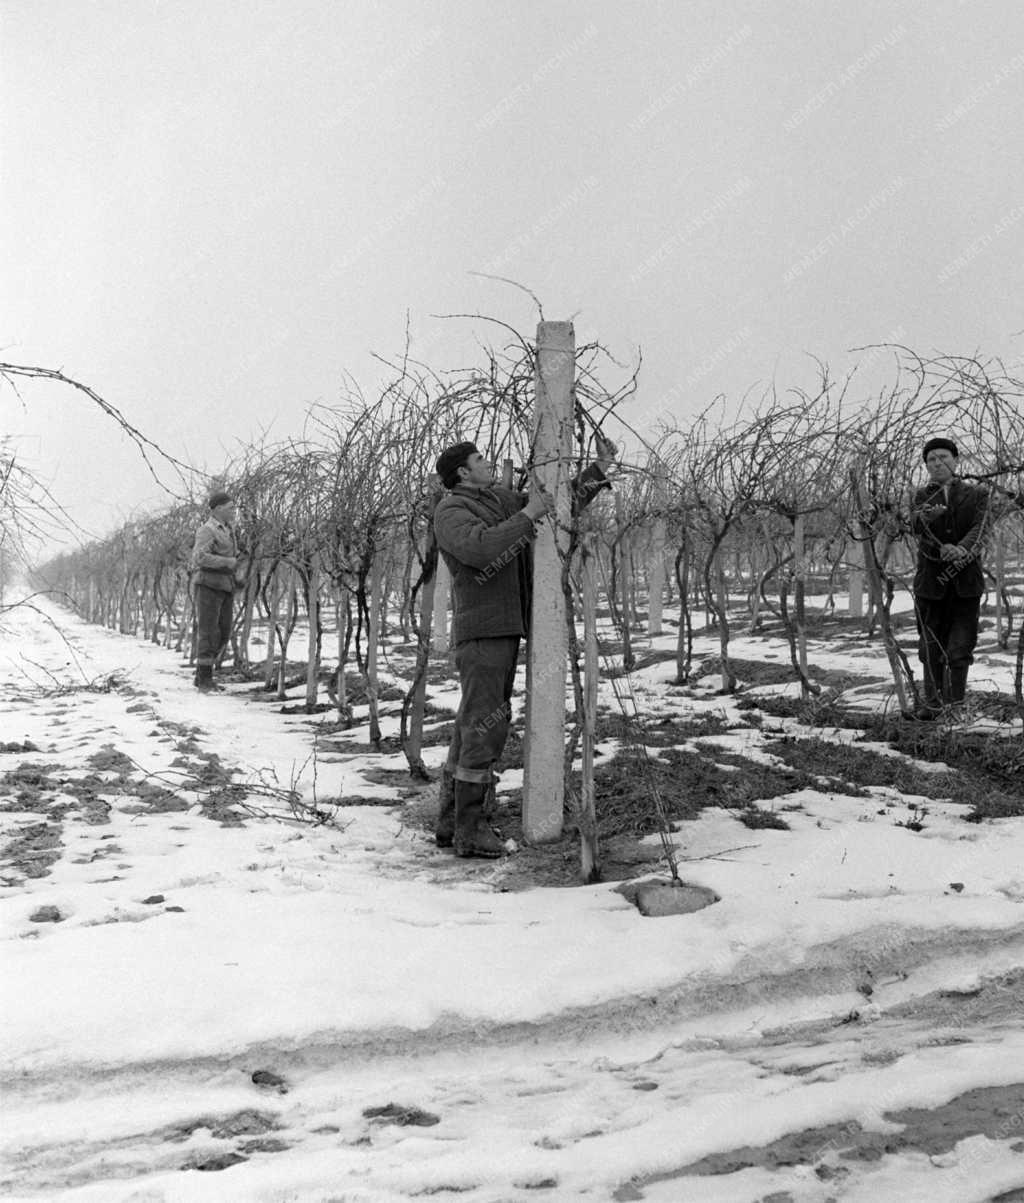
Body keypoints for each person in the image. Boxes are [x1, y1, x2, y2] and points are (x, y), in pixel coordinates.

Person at [432, 437, 614, 858]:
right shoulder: (451, 511)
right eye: (479, 459)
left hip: (503, 626)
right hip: (482, 630)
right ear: (462, 472)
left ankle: (451, 819)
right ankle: (470, 828)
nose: (487, 463)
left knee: (474, 719)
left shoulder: (495, 499)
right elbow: (481, 550)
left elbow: (555, 504)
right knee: (485, 722)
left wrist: (598, 471)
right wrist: (528, 514)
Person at [909, 438, 988, 717]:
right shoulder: (920, 496)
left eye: (943, 457)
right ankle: (931, 706)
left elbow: (980, 527)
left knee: (960, 647)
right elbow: (915, 525)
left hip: (966, 582)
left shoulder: (977, 494)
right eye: (931, 459)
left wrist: (962, 549)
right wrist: (928, 519)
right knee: (930, 646)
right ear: (926, 465)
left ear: (956, 460)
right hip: (930, 584)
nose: (937, 463)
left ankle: (955, 707)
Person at [191, 491, 239, 691]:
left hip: (225, 586)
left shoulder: (228, 529)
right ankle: (204, 679)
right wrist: (229, 562)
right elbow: (199, 558)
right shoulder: (207, 530)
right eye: (230, 508)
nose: (233, 512)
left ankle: (203, 674)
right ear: (218, 509)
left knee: (224, 632)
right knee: (208, 632)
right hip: (208, 585)